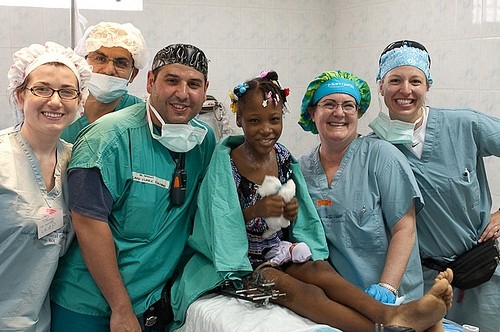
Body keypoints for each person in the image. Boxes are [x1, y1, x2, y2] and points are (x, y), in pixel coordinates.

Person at [170, 70, 454, 332]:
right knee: (300, 291)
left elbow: (298, 218)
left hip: (279, 251)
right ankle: (381, 329)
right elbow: (218, 220)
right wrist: (257, 210)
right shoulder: (228, 164)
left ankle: (391, 313)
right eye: (254, 121)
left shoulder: (283, 158)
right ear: (240, 120)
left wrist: (291, 214)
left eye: (274, 120)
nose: (266, 129)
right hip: (246, 263)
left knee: (321, 271)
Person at [50, 43, 216, 332]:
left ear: (205, 89)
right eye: (172, 80)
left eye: (194, 84)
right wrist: (121, 308)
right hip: (91, 305)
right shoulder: (108, 139)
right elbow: (88, 222)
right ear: (151, 81)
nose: (183, 94)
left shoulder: (204, 141)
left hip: (150, 302)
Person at [370, 39, 500, 331]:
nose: (405, 90)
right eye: (395, 80)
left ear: (427, 85)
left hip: (482, 275)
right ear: (380, 86)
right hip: (425, 283)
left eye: (415, 80)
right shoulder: (375, 148)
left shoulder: (464, 125)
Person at [297, 70, 424, 304]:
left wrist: (387, 288)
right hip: (342, 301)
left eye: (348, 106)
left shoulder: (382, 157)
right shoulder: (301, 169)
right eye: (329, 104)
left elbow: (405, 229)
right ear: (312, 112)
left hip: (396, 299)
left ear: (358, 113)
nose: (339, 113)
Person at [0, 41, 91, 331]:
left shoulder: (76, 161)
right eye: (42, 89)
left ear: (80, 102)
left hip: (39, 321)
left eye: (67, 92)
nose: (55, 101)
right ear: (19, 95)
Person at [60, 21, 149, 143]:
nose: (109, 70)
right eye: (100, 59)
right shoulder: (61, 109)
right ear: (83, 64)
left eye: (121, 63)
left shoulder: (144, 116)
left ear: (133, 74)